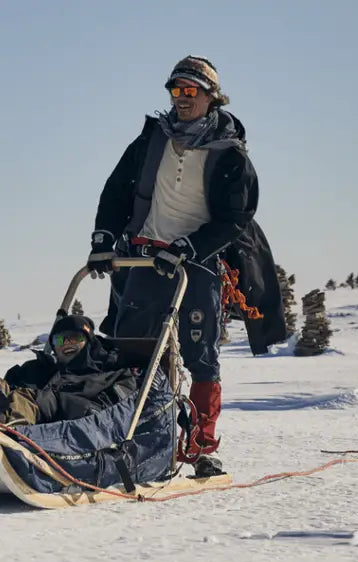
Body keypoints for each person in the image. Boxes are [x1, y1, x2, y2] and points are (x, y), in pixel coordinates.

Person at [84, 56, 286, 471]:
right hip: (143, 259)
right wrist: (104, 238)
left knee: (200, 358)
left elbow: (236, 219)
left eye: (191, 90)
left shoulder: (231, 156)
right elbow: (116, 190)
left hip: (198, 265)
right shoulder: (149, 141)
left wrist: (190, 247)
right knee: (131, 352)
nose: (181, 98)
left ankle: (198, 451)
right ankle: (138, 443)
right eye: (176, 90)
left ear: (211, 96)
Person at [0, 316, 137, 426]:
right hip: (21, 404)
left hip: (64, 417)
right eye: (61, 339)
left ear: (88, 341)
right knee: (1, 385)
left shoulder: (113, 373)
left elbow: (110, 413)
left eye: (75, 338)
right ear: (53, 344)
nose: (67, 343)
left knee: (29, 399)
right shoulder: (39, 368)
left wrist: (56, 401)